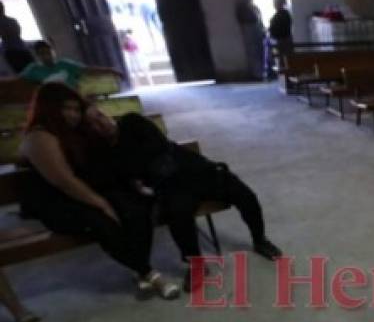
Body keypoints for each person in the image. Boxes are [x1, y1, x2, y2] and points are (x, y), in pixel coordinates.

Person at [82, 108, 282, 290]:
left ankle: (259, 240)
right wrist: (135, 173)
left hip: (197, 170)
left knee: (245, 195)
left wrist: (135, 172)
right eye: (92, 124)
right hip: (171, 187)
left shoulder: (131, 121)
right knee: (177, 216)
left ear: (107, 114)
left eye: (99, 116)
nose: (99, 124)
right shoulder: (107, 153)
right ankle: (196, 266)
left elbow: (156, 147)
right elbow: (128, 174)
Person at [18, 83, 179, 299]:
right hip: (57, 203)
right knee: (102, 221)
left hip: (82, 193)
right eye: (67, 108)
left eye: (76, 109)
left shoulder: (71, 132)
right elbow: (64, 181)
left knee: (137, 205)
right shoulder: (39, 137)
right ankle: (150, 273)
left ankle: (140, 272)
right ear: (49, 108)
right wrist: (102, 204)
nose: (74, 115)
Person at [19, 41, 123, 89]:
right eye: (42, 53)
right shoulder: (33, 69)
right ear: (37, 55)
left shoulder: (64, 64)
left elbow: (88, 70)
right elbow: (18, 81)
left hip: (73, 99)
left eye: (48, 52)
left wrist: (111, 70)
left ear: (53, 52)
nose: (46, 56)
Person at [236, 0, 265, 81]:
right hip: (248, 28)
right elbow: (241, 19)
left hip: (256, 28)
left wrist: (262, 28)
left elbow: (259, 18)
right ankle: (257, 74)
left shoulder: (254, 7)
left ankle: (263, 72)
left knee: (260, 51)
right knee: (252, 52)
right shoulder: (241, 8)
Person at [0, 1, 33, 73]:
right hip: (15, 49)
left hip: (16, 49)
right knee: (28, 70)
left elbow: (17, 31)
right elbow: (17, 31)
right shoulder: (11, 20)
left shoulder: (11, 20)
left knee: (29, 69)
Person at [267, 0, 292, 80]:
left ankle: (287, 80)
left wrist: (271, 30)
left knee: (284, 61)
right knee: (283, 60)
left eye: (275, 3)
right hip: (282, 39)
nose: (274, 5)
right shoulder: (284, 14)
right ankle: (285, 80)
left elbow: (279, 28)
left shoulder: (282, 15)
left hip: (283, 39)